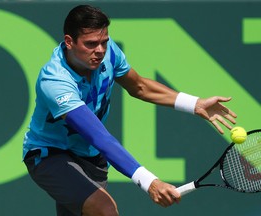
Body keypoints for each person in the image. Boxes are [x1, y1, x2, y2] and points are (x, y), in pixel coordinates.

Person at [23, 4, 237, 216]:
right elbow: (99, 137)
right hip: (51, 153)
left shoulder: (108, 53)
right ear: (69, 42)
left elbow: (140, 87)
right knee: (105, 210)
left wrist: (194, 103)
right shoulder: (55, 82)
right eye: (90, 44)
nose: (99, 51)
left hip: (90, 156)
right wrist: (149, 182)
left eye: (103, 42)